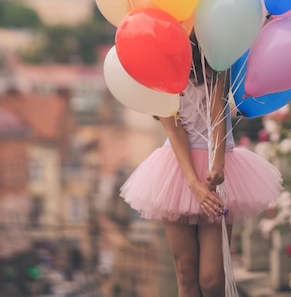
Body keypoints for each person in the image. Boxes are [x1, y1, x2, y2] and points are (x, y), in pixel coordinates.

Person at [120, 35, 282, 297]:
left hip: (217, 162)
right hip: (176, 168)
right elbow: (175, 131)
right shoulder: (158, 64)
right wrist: (193, 182)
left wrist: (217, 163)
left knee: (212, 280)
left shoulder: (217, 56)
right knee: (185, 270)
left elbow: (218, 110)